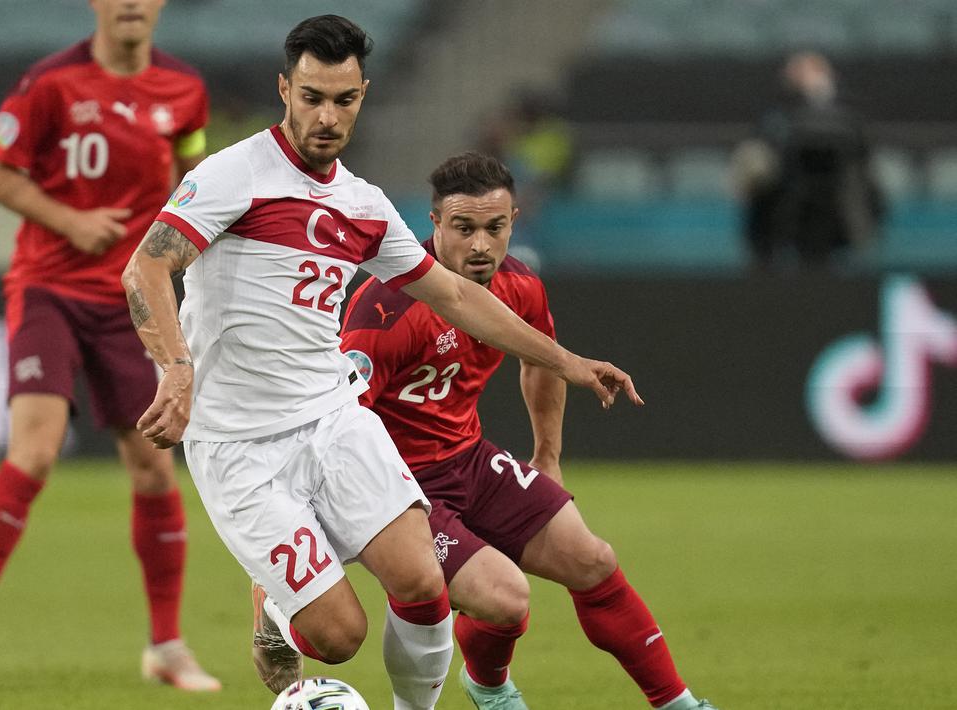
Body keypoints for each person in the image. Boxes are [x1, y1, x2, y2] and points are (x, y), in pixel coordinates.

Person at [121, 15, 643, 710]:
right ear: (285, 90)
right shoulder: (231, 175)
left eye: (343, 100)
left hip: (334, 421)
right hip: (239, 444)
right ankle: (279, 610)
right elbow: (146, 268)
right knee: (340, 636)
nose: (327, 116)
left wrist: (566, 360)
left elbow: (456, 295)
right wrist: (177, 369)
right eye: (312, 97)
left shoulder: (362, 204)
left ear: (362, 95)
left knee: (423, 582)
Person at [339, 152, 717, 710]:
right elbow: (340, 421)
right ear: (434, 223)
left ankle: (678, 704)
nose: (481, 246)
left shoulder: (520, 285)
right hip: (401, 486)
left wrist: (548, 454)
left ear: (514, 220)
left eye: (495, 228)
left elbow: (540, 362)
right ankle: (491, 690)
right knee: (507, 598)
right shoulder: (387, 309)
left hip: (468, 459)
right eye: (463, 229)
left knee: (592, 560)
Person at [0, 0, 218, 694]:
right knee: (34, 451)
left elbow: (195, 185)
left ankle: (166, 646)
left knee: (153, 468)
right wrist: (70, 220)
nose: (130, 4)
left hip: (130, 301)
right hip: (50, 289)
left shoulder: (185, 90)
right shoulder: (50, 83)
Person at [732, 51, 883, 271]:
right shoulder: (775, 115)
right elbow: (762, 152)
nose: (802, 78)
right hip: (779, 207)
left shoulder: (845, 114)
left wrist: (820, 98)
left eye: (810, 72)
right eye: (796, 73)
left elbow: (857, 152)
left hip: (830, 210)